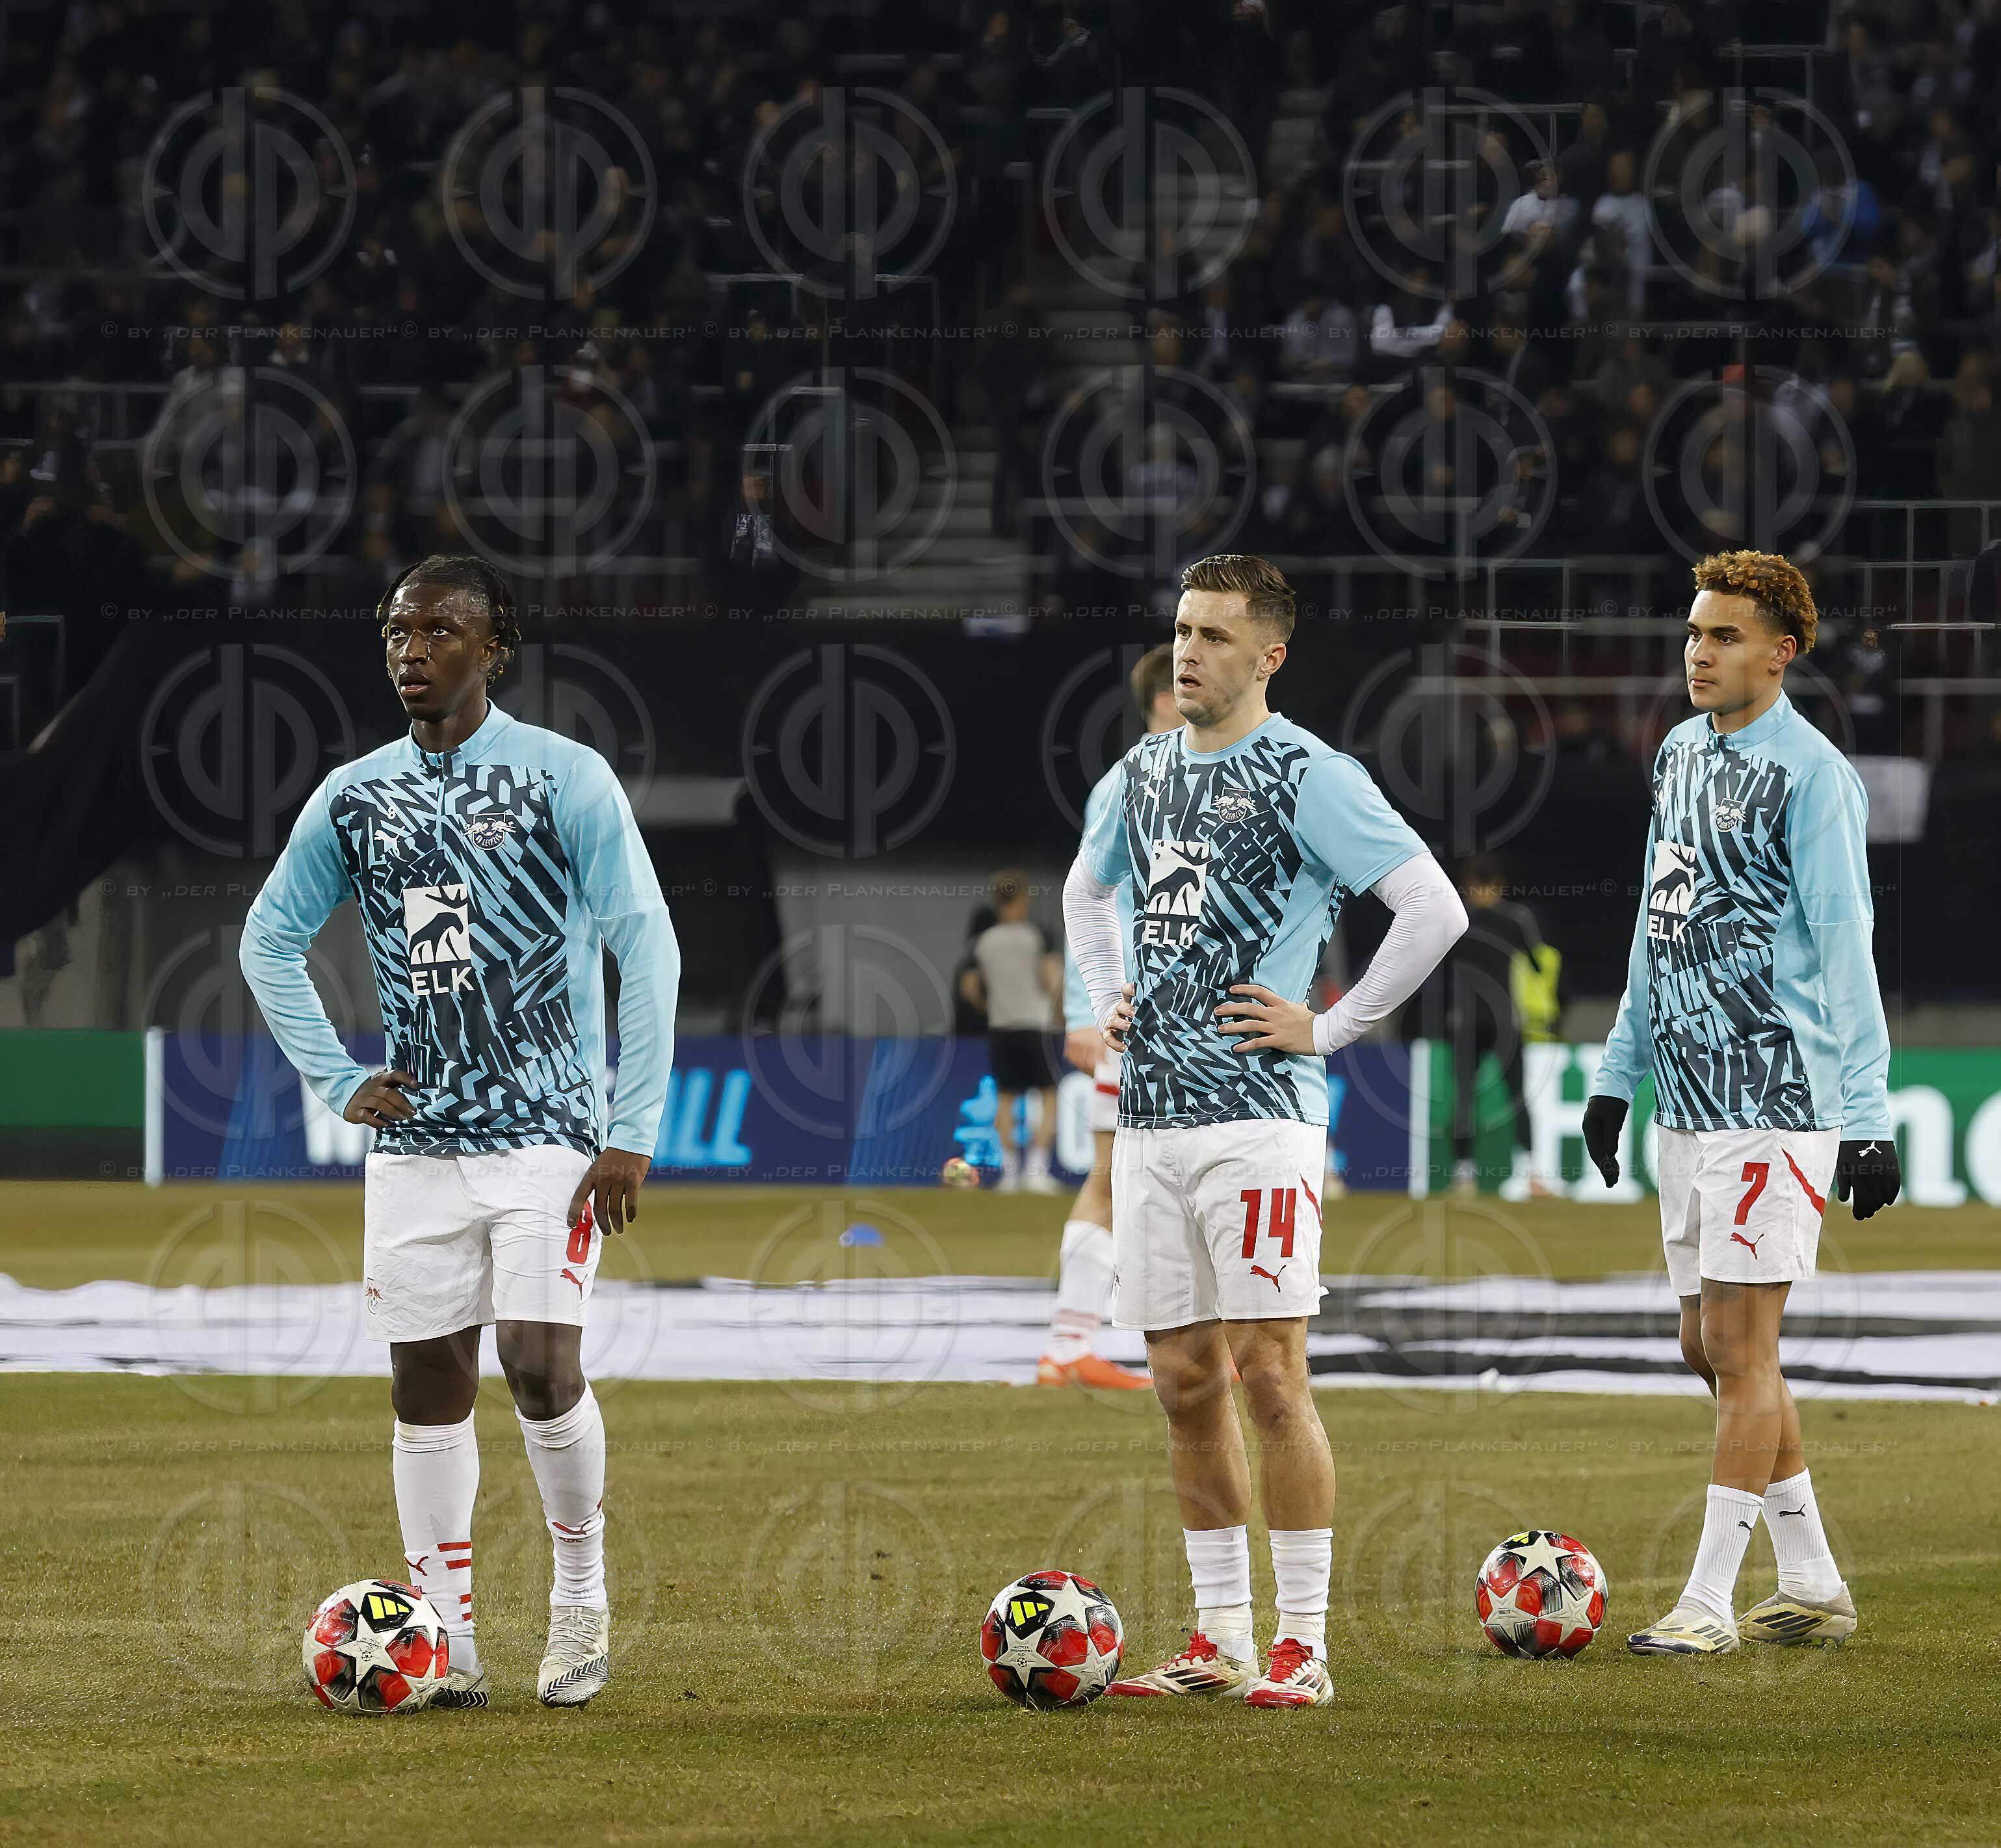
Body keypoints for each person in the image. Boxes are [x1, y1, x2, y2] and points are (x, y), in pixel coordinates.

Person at [239, 554, 678, 1709]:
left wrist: (629, 1126)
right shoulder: (356, 795)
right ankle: (451, 1640)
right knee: (425, 1385)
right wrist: (339, 1079)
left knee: (538, 1364)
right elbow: (267, 940)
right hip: (419, 1145)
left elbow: (651, 941)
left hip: (546, 1133)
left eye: (437, 629)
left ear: (494, 646)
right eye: (395, 630)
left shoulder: (563, 778)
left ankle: (579, 1593)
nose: (410, 649)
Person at [1064, 553, 1467, 1707]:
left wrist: (1329, 1027)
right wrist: (1107, 995)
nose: (1188, 651)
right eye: (1182, 629)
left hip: (1258, 1121)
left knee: (1269, 1376)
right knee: (1184, 1381)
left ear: (1268, 656)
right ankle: (1217, 1635)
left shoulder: (1309, 773)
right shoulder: (1140, 772)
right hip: (1149, 1123)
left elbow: (1429, 905)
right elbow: (1084, 895)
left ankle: (1303, 1642)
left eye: (1214, 636)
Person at [1584, 549, 1902, 1657]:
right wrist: (1616, 1072)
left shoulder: (1812, 774)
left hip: (1775, 1090)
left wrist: (1865, 1113)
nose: (1698, 652)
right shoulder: (1677, 751)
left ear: (1782, 651)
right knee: (1704, 1344)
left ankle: (1707, 1601)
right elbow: (1652, 921)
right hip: (1683, 1094)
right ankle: (1810, 1576)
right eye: (1692, 633)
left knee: (1736, 1338)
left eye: (1723, 636)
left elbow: (1843, 942)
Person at [1043, 642, 1179, 1391]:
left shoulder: (1210, 775)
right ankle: (1068, 1348)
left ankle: (1077, 1347)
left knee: (1165, 1183)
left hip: (1186, 1017)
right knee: (1111, 1178)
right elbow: (1086, 898)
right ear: (1164, 696)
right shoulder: (1129, 782)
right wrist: (1083, 1009)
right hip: (1132, 1015)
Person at [1446, 852, 1553, 1199]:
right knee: (1513, 1096)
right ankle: (1525, 1175)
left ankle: (1469, 1178)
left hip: (1469, 1019)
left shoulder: (1457, 918)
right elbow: (1539, 962)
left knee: (1468, 1096)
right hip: (1502, 1019)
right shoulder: (1515, 919)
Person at [965, 872, 1062, 1192]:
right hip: (1035, 1027)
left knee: (1005, 1098)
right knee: (1048, 1096)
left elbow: (970, 988)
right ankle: (1036, 1170)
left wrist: (991, 1006)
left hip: (1001, 1026)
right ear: (1021, 900)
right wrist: (1057, 1008)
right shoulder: (1037, 935)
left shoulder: (983, 941)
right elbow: (1052, 979)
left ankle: (1009, 1173)